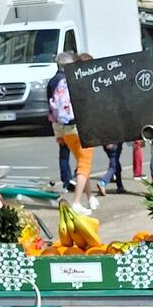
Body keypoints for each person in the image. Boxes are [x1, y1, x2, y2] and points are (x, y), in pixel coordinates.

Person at [48, 52, 98, 213]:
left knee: (81, 163)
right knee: (85, 164)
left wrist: (58, 134)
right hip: (80, 127)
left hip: (64, 129)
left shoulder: (57, 82)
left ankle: (90, 197)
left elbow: (52, 109)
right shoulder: (81, 80)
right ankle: (76, 202)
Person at [47, 60, 75, 193]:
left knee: (64, 153)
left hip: (57, 121)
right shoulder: (68, 80)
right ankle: (77, 177)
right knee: (81, 153)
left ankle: (66, 181)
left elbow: (49, 101)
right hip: (70, 120)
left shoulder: (52, 81)